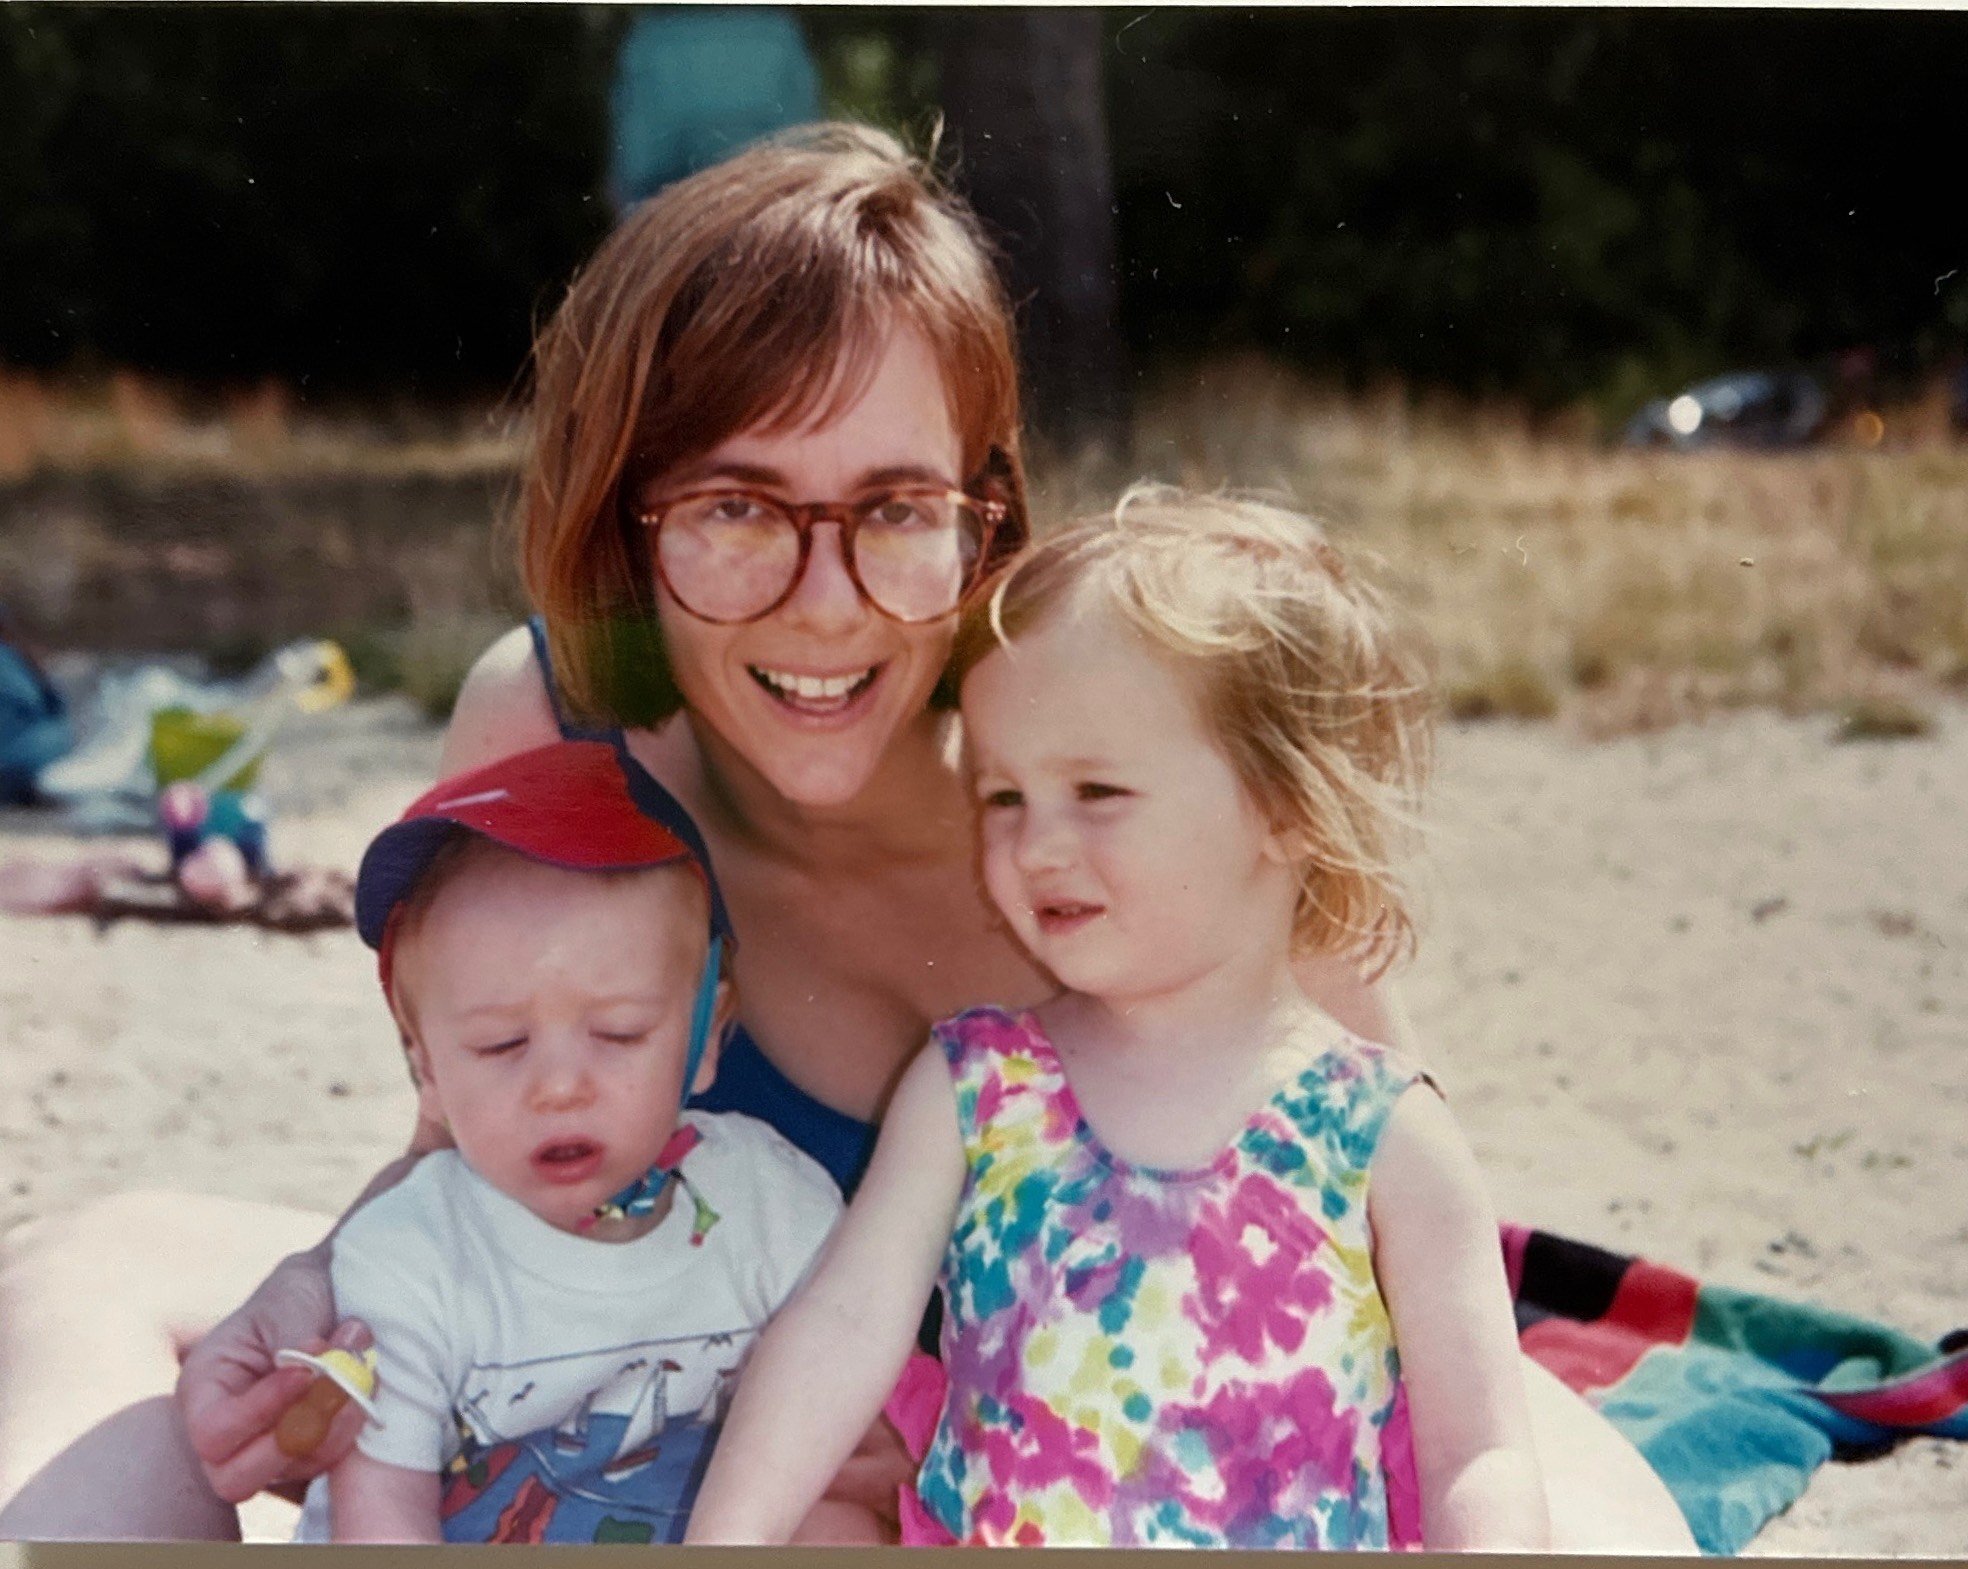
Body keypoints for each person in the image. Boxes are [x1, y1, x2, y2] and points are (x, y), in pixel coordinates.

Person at [0, 121, 1694, 1551]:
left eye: (895, 511)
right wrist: (321, 1296)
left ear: (985, 510)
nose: (825, 608)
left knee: (1602, 1520)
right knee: (86, 1271)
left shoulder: (1137, 758)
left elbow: (1368, 1222)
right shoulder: (559, 730)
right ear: (622, 516)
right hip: (677, 1391)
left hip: (1125, 1448)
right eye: (738, 509)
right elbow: (478, 1143)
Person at [688, 493, 1549, 1549]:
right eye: (1002, 797)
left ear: (1282, 806)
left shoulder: (1379, 1129)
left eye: (1094, 791)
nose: (1035, 846)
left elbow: (1481, 1451)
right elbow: (841, 1330)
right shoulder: (977, 1087)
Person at [303, 739, 837, 1543]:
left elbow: (862, 1439)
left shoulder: (773, 1206)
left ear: (709, 1036)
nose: (559, 1086)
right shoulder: (408, 1258)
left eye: (619, 1033)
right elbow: (382, 1522)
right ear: (428, 1069)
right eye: (499, 1046)